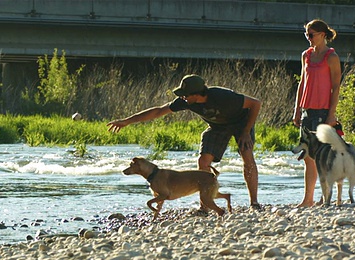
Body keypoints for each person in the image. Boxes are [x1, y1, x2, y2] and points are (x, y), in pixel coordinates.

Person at [107, 74, 262, 210]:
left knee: (247, 155)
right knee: (203, 161)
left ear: (197, 94)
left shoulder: (222, 97)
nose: (183, 97)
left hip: (242, 124)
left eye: (186, 94)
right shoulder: (185, 101)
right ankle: (205, 205)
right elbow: (159, 111)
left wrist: (246, 131)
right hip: (217, 127)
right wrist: (127, 121)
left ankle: (254, 203)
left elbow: (255, 104)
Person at [292, 19, 341, 207]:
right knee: (308, 157)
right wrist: (297, 110)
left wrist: (331, 114)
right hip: (307, 110)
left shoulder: (331, 57)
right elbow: (302, 84)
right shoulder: (306, 55)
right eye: (306, 35)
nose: (308, 38)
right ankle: (308, 199)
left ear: (322, 35)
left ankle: (326, 196)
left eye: (311, 35)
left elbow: (336, 87)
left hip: (323, 111)